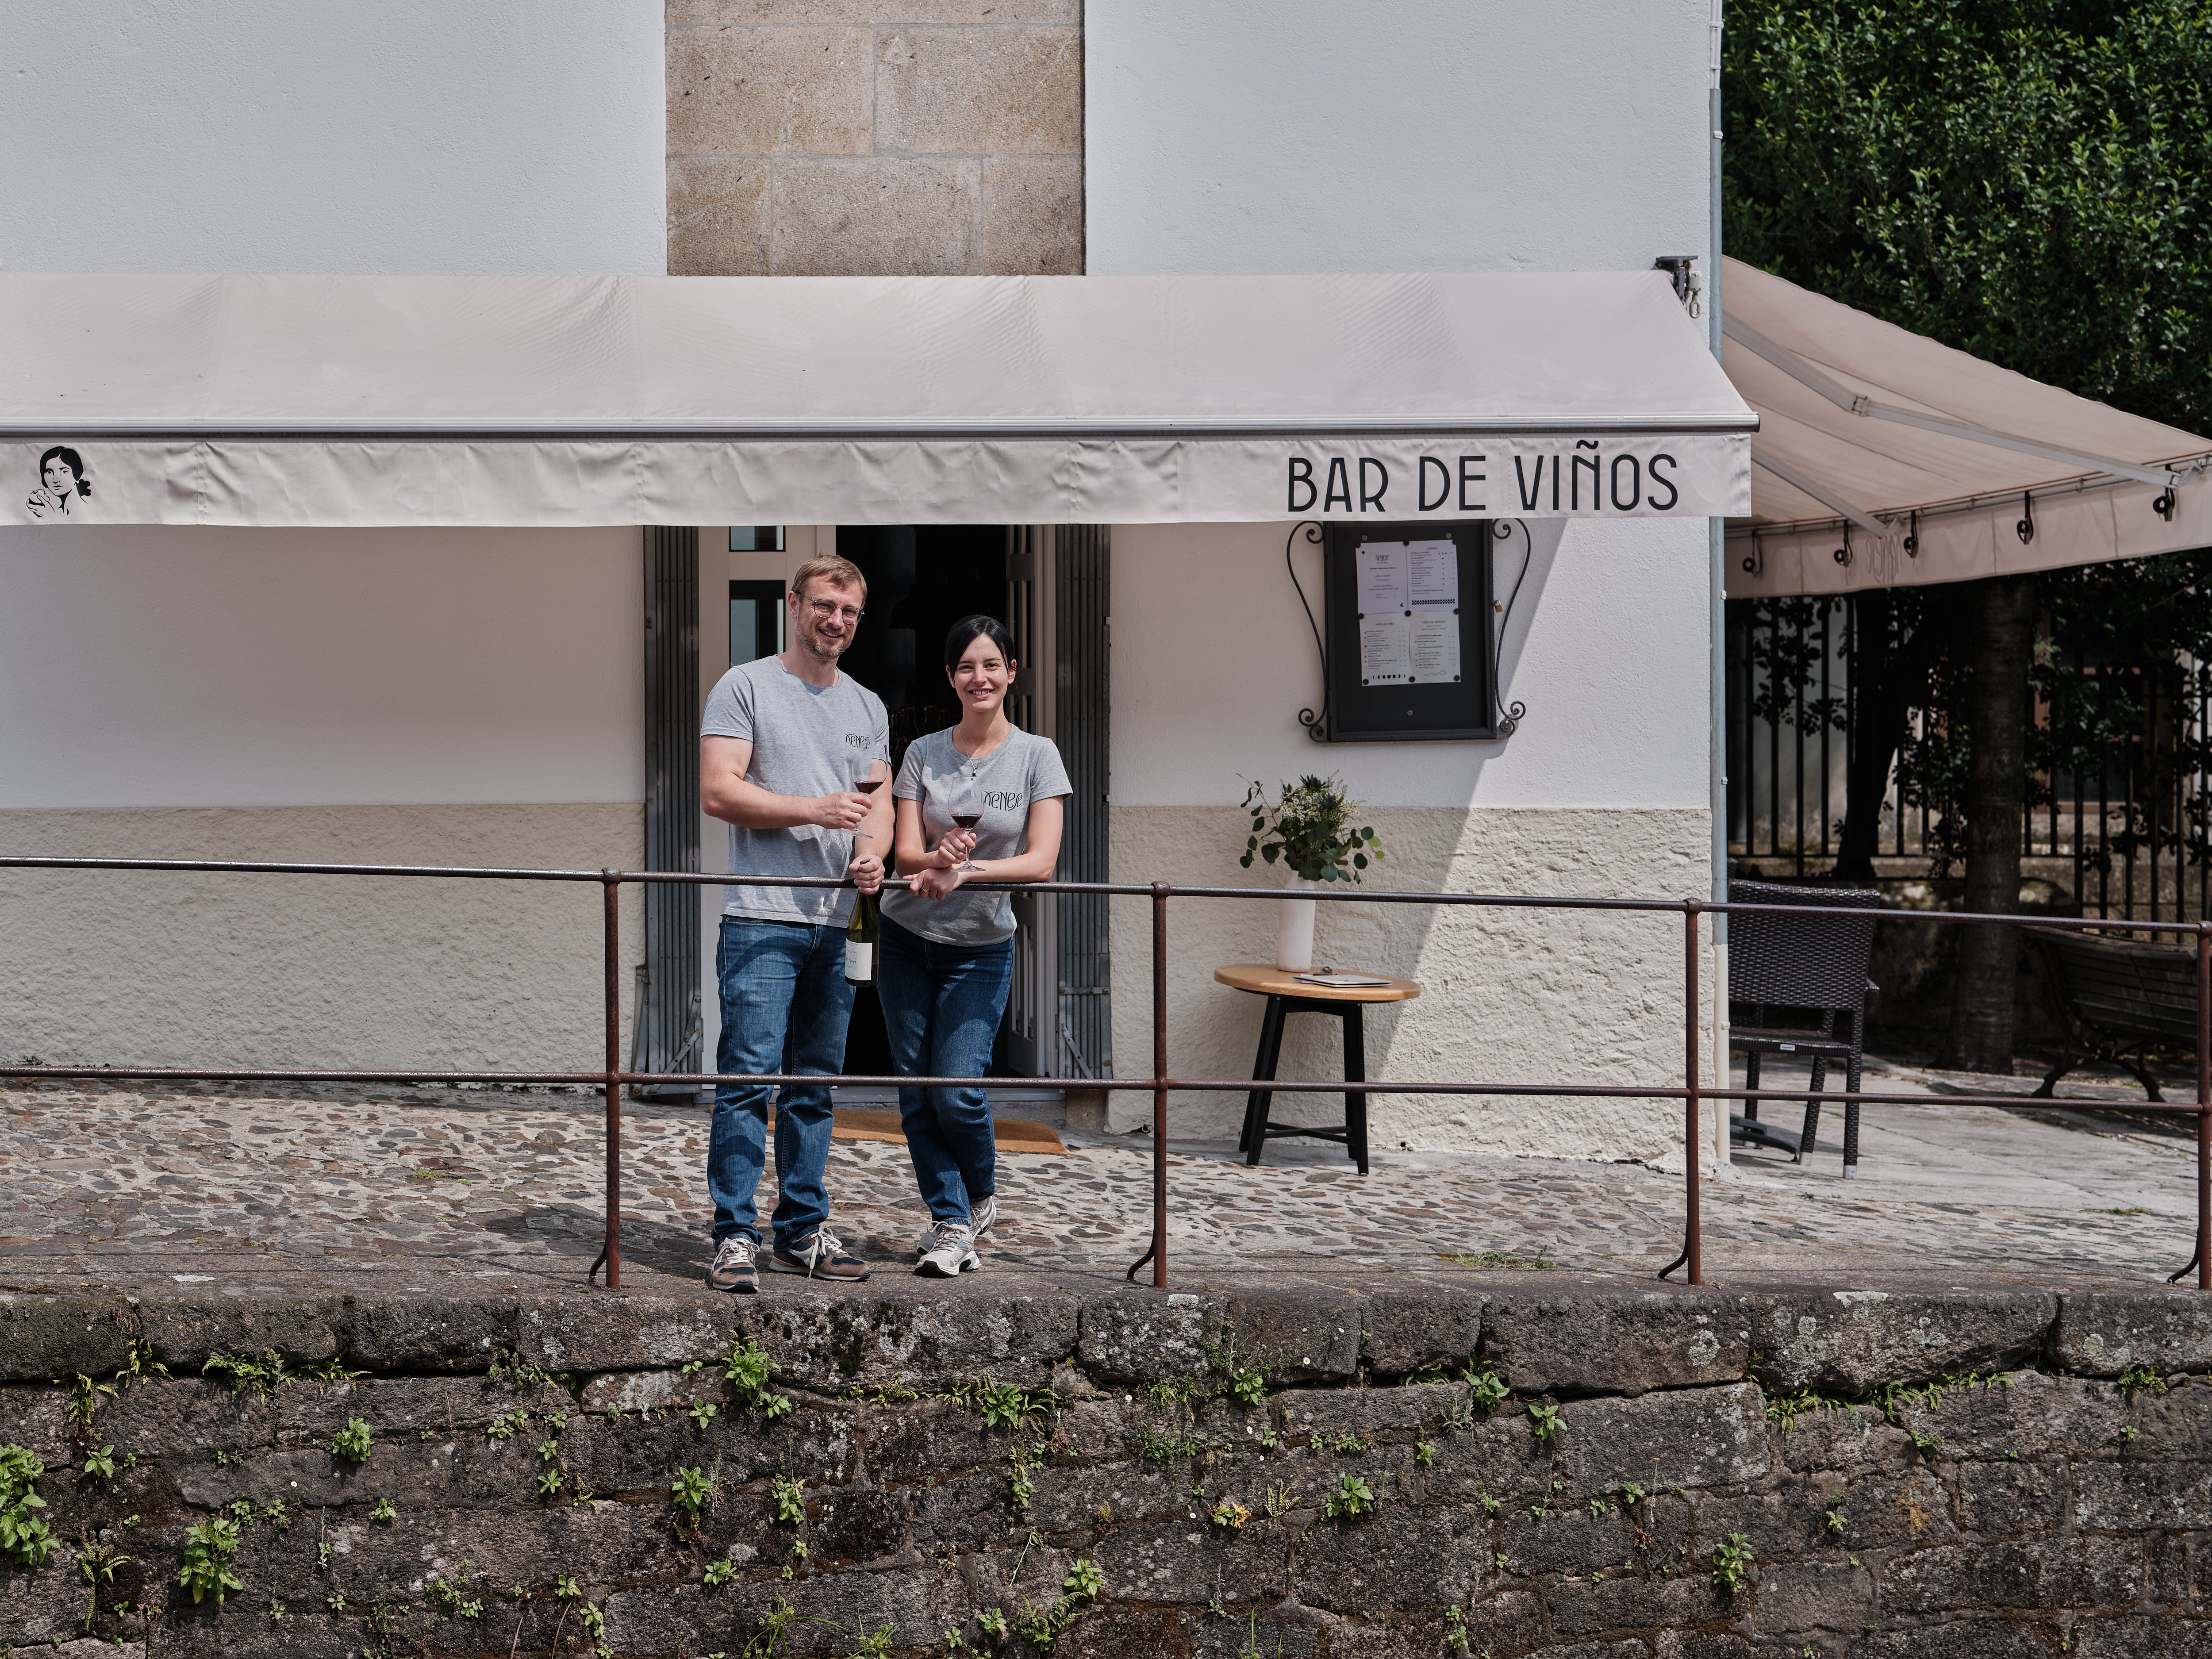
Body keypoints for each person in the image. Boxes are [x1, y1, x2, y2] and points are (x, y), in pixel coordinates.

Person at [699, 554, 891, 1292]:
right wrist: (815, 808)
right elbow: (720, 791)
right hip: (762, 916)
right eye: (824, 606)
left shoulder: (868, 707)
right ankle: (733, 1236)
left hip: (837, 920)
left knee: (815, 1085)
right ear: (794, 604)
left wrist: (870, 857)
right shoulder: (744, 687)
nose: (835, 620)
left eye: (848, 611)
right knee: (748, 1080)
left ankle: (802, 1230)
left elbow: (876, 808)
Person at [879, 614, 1070, 1277]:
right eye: (966, 666)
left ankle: (978, 1192)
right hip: (906, 934)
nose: (979, 677)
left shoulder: (1038, 755)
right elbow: (904, 852)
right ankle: (951, 1218)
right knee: (915, 1088)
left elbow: (1041, 861)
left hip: (982, 945)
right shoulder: (923, 753)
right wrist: (936, 854)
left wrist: (965, 871)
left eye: (991, 665)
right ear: (951, 677)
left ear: (1012, 672)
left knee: (956, 1086)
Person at [27, 446, 90, 518]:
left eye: (64, 472)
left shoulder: (85, 510)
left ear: (77, 474)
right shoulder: (56, 507)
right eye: (49, 472)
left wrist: (50, 516)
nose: (55, 480)